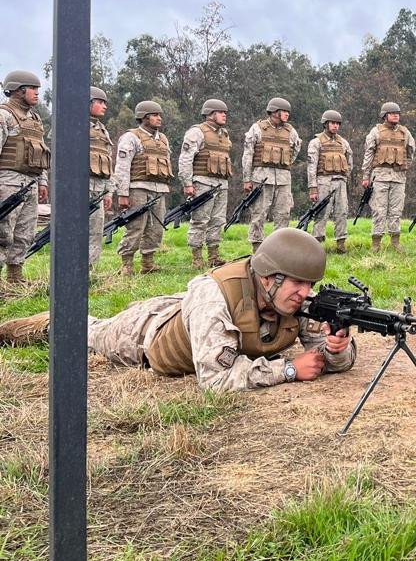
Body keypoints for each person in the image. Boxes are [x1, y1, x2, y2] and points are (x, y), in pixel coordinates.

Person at [0, 228, 357, 392]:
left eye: (310, 284)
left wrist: (336, 350)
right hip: (144, 334)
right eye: (298, 283)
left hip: (188, 313)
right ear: (269, 278)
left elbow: (328, 358)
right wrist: (288, 370)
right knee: (84, 330)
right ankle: (30, 326)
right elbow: (215, 381)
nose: (305, 293)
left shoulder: (295, 300)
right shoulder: (215, 295)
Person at [0, 70, 49, 287]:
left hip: (30, 182)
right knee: (3, 233)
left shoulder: (35, 120)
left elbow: (42, 154)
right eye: (34, 89)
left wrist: (42, 181)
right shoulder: (4, 115)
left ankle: (14, 278)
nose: (38, 94)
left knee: (25, 233)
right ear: (20, 91)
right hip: (8, 181)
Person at [114, 100, 172, 275]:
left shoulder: (163, 139)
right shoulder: (131, 137)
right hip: (137, 188)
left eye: (159, 115)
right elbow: (122, 167)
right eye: (155, 115)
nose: (159, 118)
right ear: (143, 117)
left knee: (156, 228)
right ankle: (127, 264)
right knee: (136, 227)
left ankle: (148, 262)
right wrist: (123, 193)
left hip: (159, 189)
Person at [242, 97, 302, 253]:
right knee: (258, 215)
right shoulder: (257, 128)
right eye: (284, 111)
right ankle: (257, 249)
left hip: (283, 180)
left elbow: (294, 152)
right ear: (275, 112)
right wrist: (247, 179)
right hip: (261, 178)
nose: (287, 114)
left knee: (283, 214)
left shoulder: (291, 131)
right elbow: (248, 155)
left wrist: (283, 164)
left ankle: (279, 250)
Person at [178, 98, 233, 269]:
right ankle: (196, 258)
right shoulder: (197, 132)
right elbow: (186, 159)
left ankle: (214, 256)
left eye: (225, 112)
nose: (224, 115)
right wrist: (187, 183)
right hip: (202, 183)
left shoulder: (224, 134)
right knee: (200, 220)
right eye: (221, 112)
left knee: (217, 220)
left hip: (221, 184)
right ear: (210, 114)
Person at [360, 101, 415, 253]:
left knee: (396, 211)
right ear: (385, 116)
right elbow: (369, 154)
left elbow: (411, 152)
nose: (396, 115)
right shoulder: (376, 132)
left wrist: (404, 167)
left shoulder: (405, 133)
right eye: (392, 113)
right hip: (380, 177)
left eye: (397, 113)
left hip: (398, 177)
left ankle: (395, 242)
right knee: (379, 210)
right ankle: (376, 244)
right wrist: (366, 175)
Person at [306, 109, 353, 253]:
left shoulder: (343, 143)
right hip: (323, 181)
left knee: (342, 212)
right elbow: (311, 166)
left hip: (340, 182)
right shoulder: (316, 142)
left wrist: (344, 178)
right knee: (322, 213)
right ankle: (317, 246)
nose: (335, 126)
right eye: (332, 123)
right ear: (325, 124)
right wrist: (313, 188)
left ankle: (341, 244)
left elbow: (349, 162)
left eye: (338, 124)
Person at [88, 86, 115, 270]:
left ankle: (90, 270)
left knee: (96, 231)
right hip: (78, 186)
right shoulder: (72, 124)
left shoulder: (103, 131)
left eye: (105, 102)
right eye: (100, 102)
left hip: (98, 187)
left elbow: (108, 163)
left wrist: (108, 192)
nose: (104, 106)